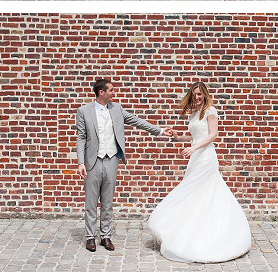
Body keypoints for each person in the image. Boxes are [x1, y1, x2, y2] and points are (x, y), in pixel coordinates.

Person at [147, 81, 251, 262]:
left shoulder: (210, 111)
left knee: (201, 190)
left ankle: (212, 232)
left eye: (200, 94)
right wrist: (179, 137)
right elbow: (195, 136)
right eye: (195, 94)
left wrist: (194, 148)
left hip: (206, 157)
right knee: (194, 192)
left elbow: (213, 135)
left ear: (205, 95)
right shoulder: (194, 114)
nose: (197, 97)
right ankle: (189, 227)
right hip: (196, 158)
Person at [74, 78, 175, 252]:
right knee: (91, 201)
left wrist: (159, 131)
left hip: (112, 159)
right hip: (92, 161)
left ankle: (105, 236)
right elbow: (81, 137)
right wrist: (80, 162)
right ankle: (90, 236)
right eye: (111, 90)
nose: (114, 93)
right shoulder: (83, 111)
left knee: (107, 201)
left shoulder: (117, 109)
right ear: (101, 92)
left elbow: (137, 121)